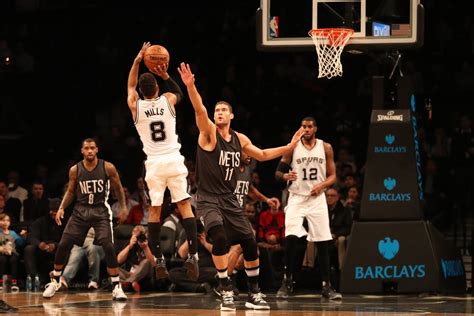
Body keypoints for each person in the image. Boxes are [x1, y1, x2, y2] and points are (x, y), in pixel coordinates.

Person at [178, 62, 303, 311]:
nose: (220, 113)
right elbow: (199, 110)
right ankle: (225, 290)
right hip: (207, 198)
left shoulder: (240, 139)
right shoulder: (209, 134)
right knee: (221, 239)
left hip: (229, 198)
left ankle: (253, 294)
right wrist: (191, 87)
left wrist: (288, 148)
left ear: (232, 115)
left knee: (249, 242)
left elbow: (263, 154)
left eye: (224, 110)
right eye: (218, 110)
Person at [127, 42, 199, 282]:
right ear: (157, 87)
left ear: (141, 90)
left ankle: (157, 259)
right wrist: (166, 75)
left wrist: (137, 61)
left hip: (154, 164)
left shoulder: (135, 106)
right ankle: (194, 256)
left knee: (155, 210)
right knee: (185, 206)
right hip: (174, 159)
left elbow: (129, 86)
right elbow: (179, 92)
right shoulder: (167, 100)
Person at [42, 138, 128, 301]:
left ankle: (116, 286)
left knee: (108, 246)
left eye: (92, 148)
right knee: (64, 244)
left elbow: (118, 188)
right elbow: (71, 191)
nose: (89, 151)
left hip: (100, 210)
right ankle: (55, 281)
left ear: (97, 150)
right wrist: (61, 207)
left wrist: (123, 207)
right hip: (80, 211)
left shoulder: (108, 167)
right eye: (86, 148)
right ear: (82, 151)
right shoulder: (75, 170)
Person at [274, 116, 342, 300]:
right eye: (303, 126)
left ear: (315, 128)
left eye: (309, 126)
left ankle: (327, 286)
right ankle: (287, 282)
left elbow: (333, 175)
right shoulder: (293, 147)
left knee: (322, 241)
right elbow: (278, 173)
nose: (306, 129)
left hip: (317, 198)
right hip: (296, 197)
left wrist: (322, 186)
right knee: (291, 238)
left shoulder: (325, 147)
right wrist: (285, 177)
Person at [117, 225, 155, 292]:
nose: (138, 239)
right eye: (136, 236)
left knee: (146, 262)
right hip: (131, 273)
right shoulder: (130, 244)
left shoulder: (149, 244)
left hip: (144, 276)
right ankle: (132, 282)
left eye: (139, 236)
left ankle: (128, 282)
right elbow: (119, 260)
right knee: (114, 268)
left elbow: (153, 263)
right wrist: (129, 246)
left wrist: (145, 248)